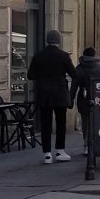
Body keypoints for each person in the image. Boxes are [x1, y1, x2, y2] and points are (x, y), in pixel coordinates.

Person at [25, 30, 76, 164]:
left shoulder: (39, 55)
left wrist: (43, 78)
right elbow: (74, 73)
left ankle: (47, 154)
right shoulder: (63, 56)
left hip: (44, 94)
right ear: (58, 40)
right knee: (60, 123)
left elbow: (30, 75)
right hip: (60, 93)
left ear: (47, 40)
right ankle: (60, 151)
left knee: (45, 124)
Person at [72, 45, 100, 154]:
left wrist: (70, 100)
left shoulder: (79, 68)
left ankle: (86, 145)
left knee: (85, 122)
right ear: (94, 55)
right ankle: (94, 144)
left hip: (83, 97)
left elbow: (74, 86)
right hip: (97, 97)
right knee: (96, 121)